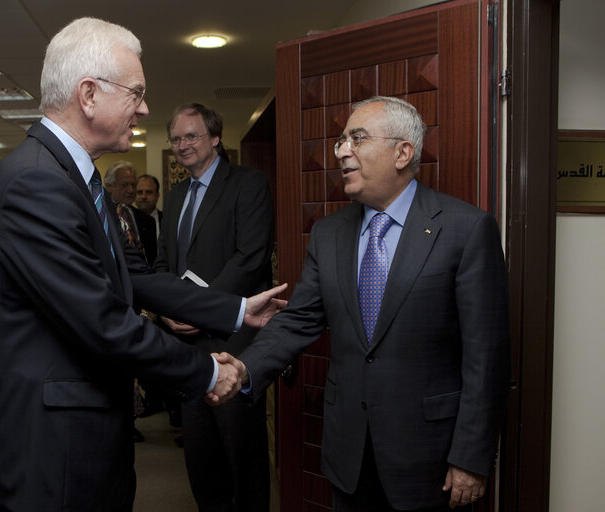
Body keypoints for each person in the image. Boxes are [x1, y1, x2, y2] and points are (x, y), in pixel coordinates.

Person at [0, 17, 285, 512]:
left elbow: (134, 277)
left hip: (87, 421)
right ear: (89, 94)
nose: (144, 108)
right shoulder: (36, 184)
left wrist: (234, 309)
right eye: (135, 92)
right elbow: (100, 320)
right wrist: (204, 371)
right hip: (54, 440)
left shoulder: (72, 177)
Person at [218, 96, 510, 512]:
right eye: (341, 141)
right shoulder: (329, 233)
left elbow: (487, 357)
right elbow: (299, 319)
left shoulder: (465, 230)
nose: (341, 152)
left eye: (357, 138)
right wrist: (245, 366)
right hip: (349, 452)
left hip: (429, 456)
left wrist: (471, 457)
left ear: (403, 152)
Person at [155, 103, 274, 512]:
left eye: (191, 136)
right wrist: (165, 307)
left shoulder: (248, 183)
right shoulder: (173, 199)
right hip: (185, 349)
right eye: (176, 138)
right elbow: (161, 265)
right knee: (201, 458)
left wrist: (197, 309)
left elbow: (251, 257)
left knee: (242, 453)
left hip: (233, 342)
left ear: (215, 138)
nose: (182, 145)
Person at [105, 161, 157, 267]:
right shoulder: (101, 215)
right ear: (109, 186)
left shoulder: (147, 220)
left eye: (133, 185)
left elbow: (152, 259)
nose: (131, 190)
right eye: (124, 185)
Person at [135, 174, 162, 239]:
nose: (143, 196)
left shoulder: (168, 221)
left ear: (157, 196)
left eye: (148, 192)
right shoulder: (128, 221)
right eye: (139, 192)